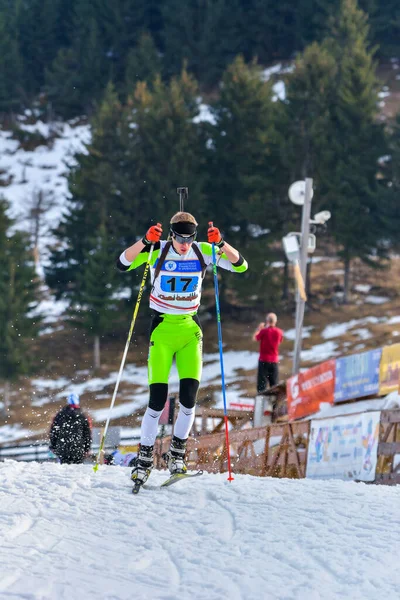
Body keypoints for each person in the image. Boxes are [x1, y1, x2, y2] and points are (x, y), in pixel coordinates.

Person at [117, 212, 248, 485]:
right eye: (180, 238)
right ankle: (144, 459)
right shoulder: (158, 251)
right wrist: (143, 242)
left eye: (190, 238)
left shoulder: (203, 253)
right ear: (171, 235)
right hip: (162, 331)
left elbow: (241, 266)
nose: (185, 244)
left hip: (190, 332)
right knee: (157, 401)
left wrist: (222, 244)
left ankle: (177, 455)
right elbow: (123, 263)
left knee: (189, 400)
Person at [49, 394, 92, 464]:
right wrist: (87, 448)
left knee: (64, 471)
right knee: (77, 470)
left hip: (63, 447)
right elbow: (87, 434)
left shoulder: (60, 415)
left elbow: (54, 431)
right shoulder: (83, 416)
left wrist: (53, 446)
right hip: (78, 448)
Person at [252, 313, 284, 393]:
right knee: (274, 385)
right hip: (274, 361)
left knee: (262, 385)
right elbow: (279, 342)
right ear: (275, 321)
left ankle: (261, 403)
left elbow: (255, 338)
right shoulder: (279, 332)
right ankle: (275, 405)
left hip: (263, 360)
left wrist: (259, 329)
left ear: (267, 321)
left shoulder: (264, 331)